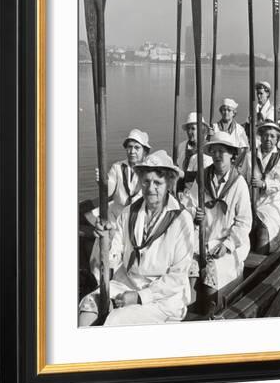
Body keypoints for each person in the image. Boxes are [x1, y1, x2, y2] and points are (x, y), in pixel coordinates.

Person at [79, 150, 194, 327]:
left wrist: (139, 297)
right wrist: (106, 241)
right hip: (126, 284)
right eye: (146, 181)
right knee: (88, 306)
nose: (151, 188)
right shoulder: (128, 213)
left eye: (158, 182)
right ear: (140, 181)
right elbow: (114, 256)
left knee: (116, 320)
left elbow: (177, 277)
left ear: (169, 183)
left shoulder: (182, 219)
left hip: (163, 298)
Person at [183, 132, 252, 291]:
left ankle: (211, 310)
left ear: (232, 154)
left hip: (228, 242)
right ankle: (187, 310)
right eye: (214, 151)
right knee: (188, 276)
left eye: (222, 151)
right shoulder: (202, 177)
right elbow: (187, 204)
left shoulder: (238, 183)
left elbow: (244, 223)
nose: (217, 155)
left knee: (210, 284)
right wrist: (194, 213)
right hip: (201, 238)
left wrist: (227, 245)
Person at [89, 129, 151, 225]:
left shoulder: (150, 169)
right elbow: (109, 192)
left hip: (140, 219)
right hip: (116, 217)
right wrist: (103, 182)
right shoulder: (117, 167)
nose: (132, 151)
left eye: (137, 148)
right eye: (129, 147)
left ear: (145, 152)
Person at [251, 121, 280, 253]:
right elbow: (242, 175)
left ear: (277, 139)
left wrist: (264, 184)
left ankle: (260, 263)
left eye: (272, 136)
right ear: (260, 137)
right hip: (251, 199)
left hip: (271, 201)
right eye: (266, 135)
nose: (268, 139)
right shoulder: (251, 155)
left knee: (264, 229)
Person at [176, 111, 212, 192]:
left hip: (199, 191)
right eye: (188, 128)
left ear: (201, 130)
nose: (189, 132)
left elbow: (206, 175)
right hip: (181, 189)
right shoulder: (182, 146)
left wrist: (184, 175)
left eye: (193, 129)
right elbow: (178, 166)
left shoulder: (208, 149)